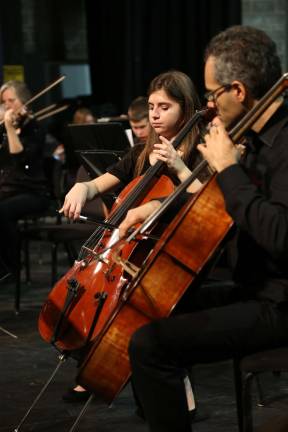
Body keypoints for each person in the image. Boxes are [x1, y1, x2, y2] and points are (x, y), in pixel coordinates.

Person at [116, 25, 288, 432]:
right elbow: (216, 209)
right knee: (144, 308)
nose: (209, 104)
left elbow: (280, 234)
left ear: (239, 91)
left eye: (213, 93)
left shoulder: (281, 146)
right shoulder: (252, 139)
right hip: (254, 286)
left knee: (151, 346)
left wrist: (229, 168)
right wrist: (156, 207)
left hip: (280, 302)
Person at [60, 70, 209, 403]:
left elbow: (207, 199)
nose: (154, 114)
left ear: (185, 110)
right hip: (136, 250)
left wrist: (179, 166)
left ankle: (173, 378)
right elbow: (104, 181)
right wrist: (82, 188)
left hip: (178, 252)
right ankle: (95, 364)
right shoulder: (143, 152)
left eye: (164, 107)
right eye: (152, 106)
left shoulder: (200, 149)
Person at [0, 80, 50, 283]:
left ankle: (10, 268)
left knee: (1, 212)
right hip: (8, 190)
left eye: (11, 100)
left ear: (24, 101)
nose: (7, 106)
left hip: (33, 192)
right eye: (4, 102)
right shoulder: (6, 127)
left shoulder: (34, 127)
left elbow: (20, 158)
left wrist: (10, 129)